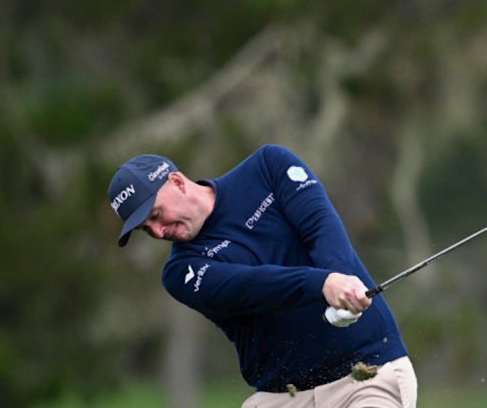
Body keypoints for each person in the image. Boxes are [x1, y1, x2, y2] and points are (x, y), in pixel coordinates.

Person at [107, 144, 417, 408]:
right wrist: (323, 284)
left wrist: (340, 279)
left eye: (156, 215)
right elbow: (250, 286)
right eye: (146, 229)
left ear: (176, 182)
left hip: (367, 375)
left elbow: (321, 226)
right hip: (281, 398)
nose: (158, 231)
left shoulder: (268, 167)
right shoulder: (180, 272)